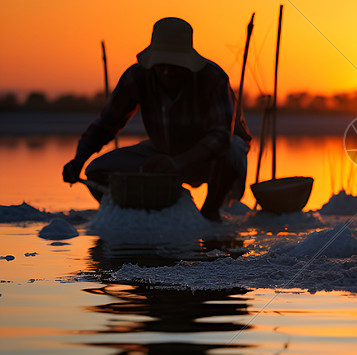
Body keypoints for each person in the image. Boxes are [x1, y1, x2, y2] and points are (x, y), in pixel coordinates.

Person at [62, 17, 252, 222]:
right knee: (96, 171)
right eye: (161, 64)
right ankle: (145, 214)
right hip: (161, 152)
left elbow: (221, 137)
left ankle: (210, 213)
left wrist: (176, 163)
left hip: (210, 158)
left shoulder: (212, 79)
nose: (167, 71)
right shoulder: (137, 77)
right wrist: (79, 159)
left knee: (234, 147)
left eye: (175, 65)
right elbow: (107, 124)